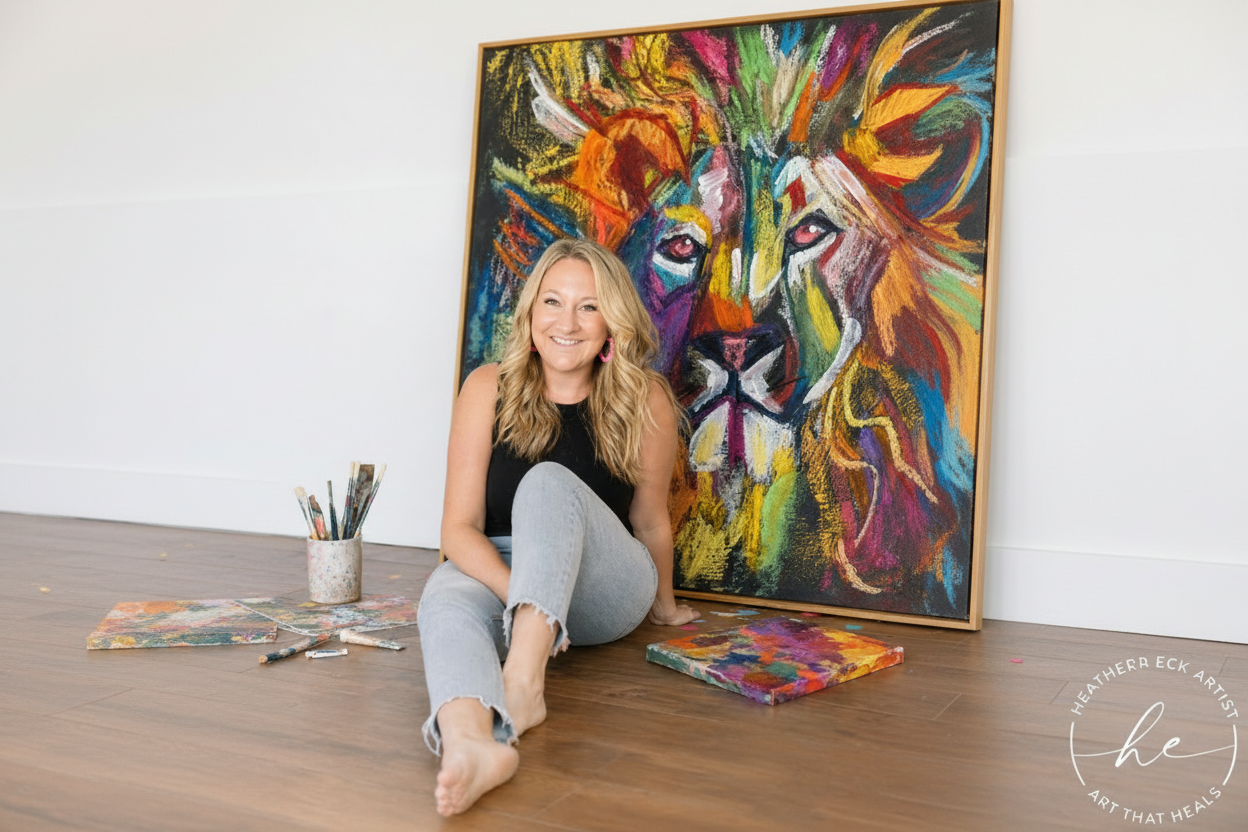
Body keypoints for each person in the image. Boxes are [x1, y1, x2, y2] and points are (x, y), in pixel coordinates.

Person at [419, 238, 700, 816]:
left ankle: (523, 687)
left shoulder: (645, 399)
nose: (566, 322)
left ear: (611, 325)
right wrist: (516, 594)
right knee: (442, 596)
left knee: (546, 481)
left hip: (602, 585)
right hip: (507, 571)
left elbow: (648, 519)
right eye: (552, 301)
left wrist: (666, 608)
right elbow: (458, 530)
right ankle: (472, 743)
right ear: (530, 314)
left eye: (588, 306)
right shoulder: (486, 388)